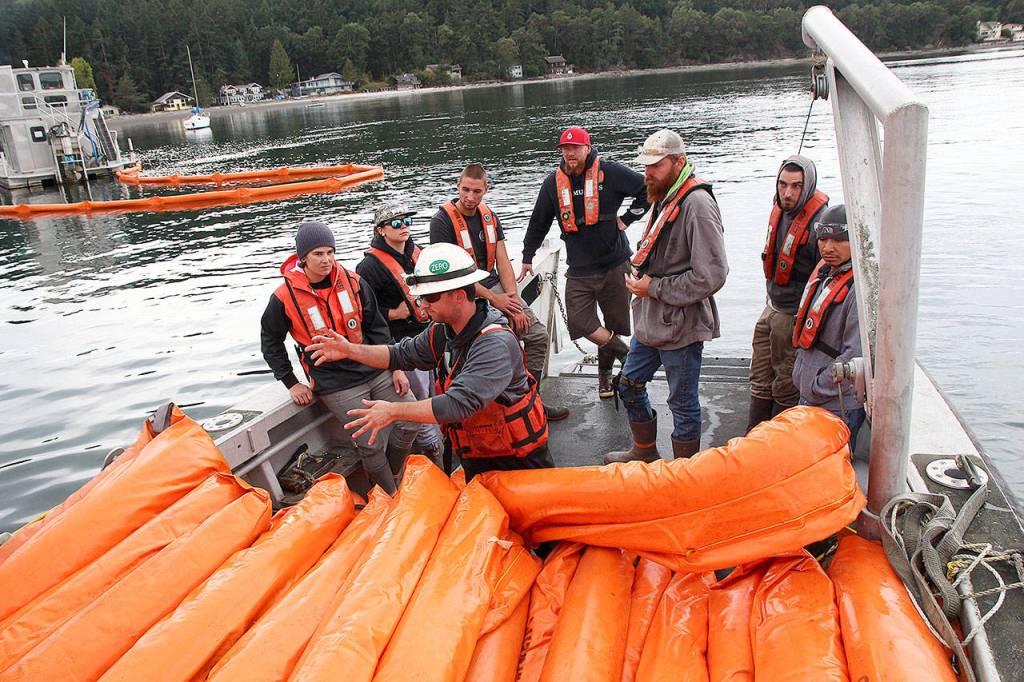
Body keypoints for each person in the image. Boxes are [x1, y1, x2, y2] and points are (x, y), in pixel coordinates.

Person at [306, 243, 554, 481]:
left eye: (431, 297)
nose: (423, 305)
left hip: (518, 462)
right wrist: (349, 350)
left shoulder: (494, 343)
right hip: (479, 456)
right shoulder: (443, 330)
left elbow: (458, 405)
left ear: (458, 296)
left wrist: (392, 411)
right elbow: (399, 354)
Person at [260, 220, 418, 494]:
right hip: (336, 383)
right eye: (318, 254)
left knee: (412, 420)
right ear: (303, 258)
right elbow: (271, 342)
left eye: (330, 252)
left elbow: (377, 326)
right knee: (370, 443)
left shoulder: (353, 281)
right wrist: (291, 382)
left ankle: (391, 476)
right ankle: (390, 495)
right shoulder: (283, 297)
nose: (326, 260)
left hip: (375, 368)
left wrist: (396, 366)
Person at [604, 129, 728, 463]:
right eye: (646, 166)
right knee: (629, 383)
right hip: (651, 320)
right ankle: (644, 452)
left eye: (656, 166)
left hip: (681, 325)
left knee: (683, 403)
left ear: (679, 162)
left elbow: (712, 275)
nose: (648, 173)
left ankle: (686, 474)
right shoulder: (664, 195)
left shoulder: (698, 204)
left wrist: (653, 288)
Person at [518, 126, 650, 398]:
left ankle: (605, 380)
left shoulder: (610, 172)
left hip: (615, 264)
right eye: (565, 148)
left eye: (575, 147)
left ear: (587, 148)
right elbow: (538, 222)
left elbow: (646, 190)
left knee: (612, 325)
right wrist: (528, 256)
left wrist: (627, 219)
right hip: (579, 270)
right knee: (582, 323)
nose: (569, 153)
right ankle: (628, 355)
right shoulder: (552, 184)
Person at [430, 163, 568, 421]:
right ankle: (480, 409)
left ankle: (531, 399)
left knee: (536, 335)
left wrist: (513, 301)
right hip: (462, 292)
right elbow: (449, 277)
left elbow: (503, 260)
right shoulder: (442, 222)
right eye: (466, 190)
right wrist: (495, 300)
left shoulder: (489, 216)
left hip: (493, 286)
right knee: (487, 345)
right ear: (457, 186)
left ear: (486, 190)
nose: (471, 197)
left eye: (477, 191)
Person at [356, 203, 444, 466]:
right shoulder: (369, 268)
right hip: (401, 344)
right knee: (420, 399)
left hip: (429, 334)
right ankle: (431, 452)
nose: (404, 227)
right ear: (381, 230)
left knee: (435, 391)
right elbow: (366, 315)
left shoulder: (416, 254)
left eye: (407, 221)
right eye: (396, 223)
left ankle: (437, 442)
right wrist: (394, 313)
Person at [747, 155, 829, 431]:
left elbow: (826, 280)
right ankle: (752, 440)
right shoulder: (779, 208)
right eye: (783, 185)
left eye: (796, 186)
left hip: (794, 315)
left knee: (785, 383)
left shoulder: (819, 223)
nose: (788, 193)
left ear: (807, 187)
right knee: (759, 376)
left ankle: (776, 442)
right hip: (772, 307)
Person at [792, 204, 866, 450]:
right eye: (823, 239)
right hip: (811, 398)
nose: (828, 248)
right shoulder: (824, 275)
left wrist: (816, 386)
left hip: (835, 406)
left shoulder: (859, 290)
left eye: (838, 240)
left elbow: (855, 354)